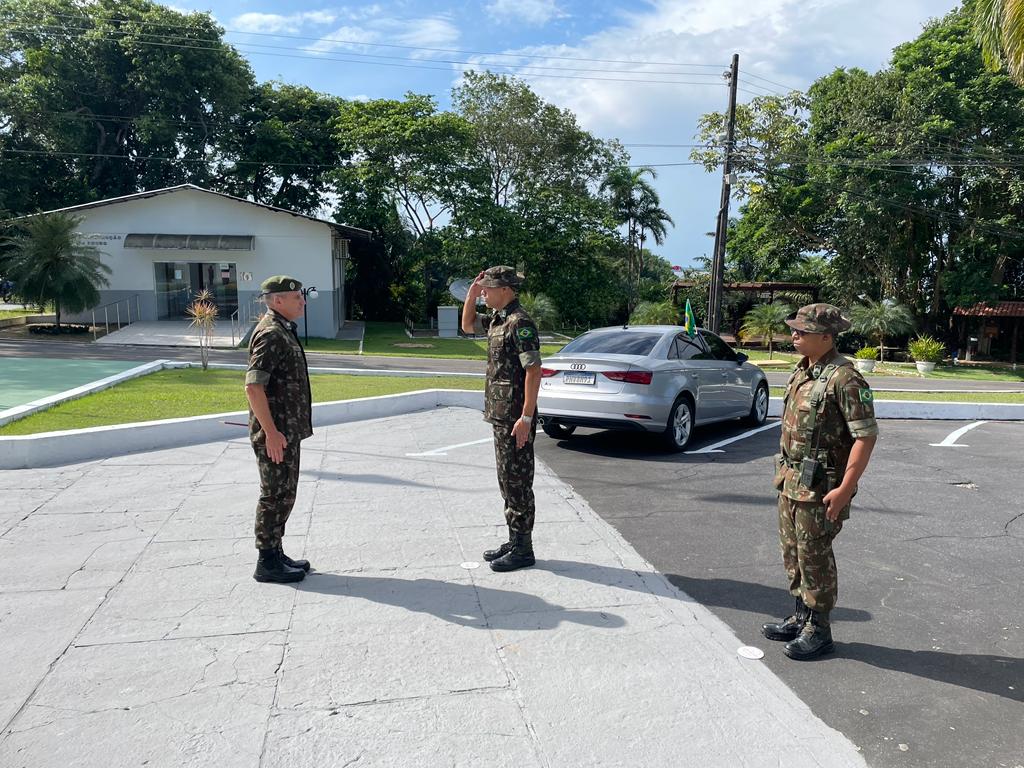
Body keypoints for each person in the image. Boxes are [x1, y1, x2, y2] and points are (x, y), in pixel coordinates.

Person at [762, 303, 878, 660]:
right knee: (793, 552)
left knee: (815, 556)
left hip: (822, 486)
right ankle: (801, 616)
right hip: (791, 479)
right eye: (794, 330)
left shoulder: (846, 378)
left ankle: (820, 628)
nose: (794, 335)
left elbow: (865, 436)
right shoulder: (802, 371)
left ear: (827, 337)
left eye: (803, 331)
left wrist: (844, 489)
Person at [461, 266, 543, 572]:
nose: (484, 293)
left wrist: (526, 417)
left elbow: (534, 371)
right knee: (507, 480)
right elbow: (467, 325)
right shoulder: (498, 320)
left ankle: (524, 549)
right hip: (500, 415)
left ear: (505, 290)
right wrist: (470, 293)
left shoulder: (519, 322)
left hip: (515, 418)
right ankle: (514, 539)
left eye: (488, 288)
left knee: (518, 482)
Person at [245, 275, 313, 584]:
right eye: (296, 296)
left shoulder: (282, 330)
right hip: (276, 434)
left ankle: (276, 552)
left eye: (301, 296)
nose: (302, 301)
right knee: (274, 494)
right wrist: (271, 433)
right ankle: (266, 561)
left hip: (287, 430)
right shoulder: (271, 334)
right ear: (276, 300)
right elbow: (253, 388)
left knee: (285, 493)